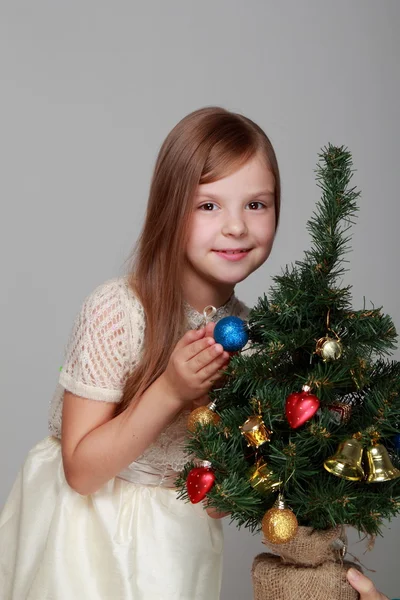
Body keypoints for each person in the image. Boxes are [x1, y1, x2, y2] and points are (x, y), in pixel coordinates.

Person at [0, 107, 390, 599]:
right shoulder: (119, 311)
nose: (236, 227)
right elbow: (80, 471)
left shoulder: (253, 335)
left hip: (175, 539)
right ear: (170, 207)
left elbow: (218, 496)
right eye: (209, 205)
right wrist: (170, 390)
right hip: (84, 533)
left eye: (257, 204)